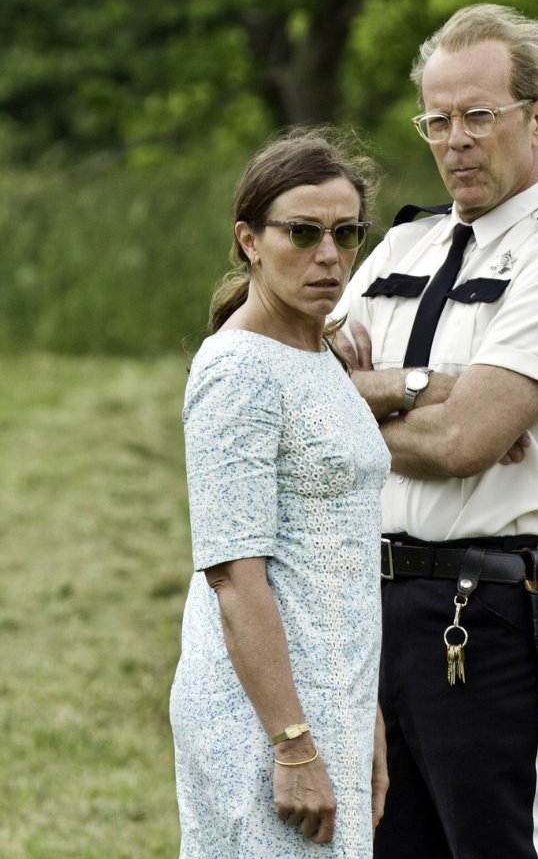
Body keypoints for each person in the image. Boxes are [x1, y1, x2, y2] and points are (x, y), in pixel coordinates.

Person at [333, 4, 538, 858]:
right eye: (437, 119)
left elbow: (463, 446)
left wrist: (359, 404)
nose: (455, 140)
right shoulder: (395, 250)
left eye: (478, 116)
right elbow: (299, 399)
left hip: (489, 614)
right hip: (366, 602)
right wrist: (427, 389)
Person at [170, 129, 392, 857]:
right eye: (302, 232)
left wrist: (366, 714)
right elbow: (235, 576)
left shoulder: (315, 347)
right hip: (264, 715)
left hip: (328, 697)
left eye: (347, 233)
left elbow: (336, 550)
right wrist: (293, 744)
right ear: (249, 241)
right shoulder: (238, 371)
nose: (329, 255)